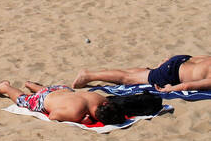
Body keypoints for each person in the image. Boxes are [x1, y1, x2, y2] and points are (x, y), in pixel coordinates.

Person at [0, 79, 162, 125]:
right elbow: (53, 116)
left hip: (61, 89)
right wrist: (81, 121)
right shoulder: (76, 113)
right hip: (45, 99)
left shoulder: (99, 99)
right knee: (24, 101)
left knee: (52, 93)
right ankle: (5, 88)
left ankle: (33, 85)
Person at [72, 55, 211, 92]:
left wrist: (171, 59)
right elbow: (188, 86)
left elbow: (200, 58)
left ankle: (91, 74)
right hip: (172, 73)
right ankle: (89, 75)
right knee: (128, 79)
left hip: (181, 60)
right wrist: (170, 88)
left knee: (147, 73)